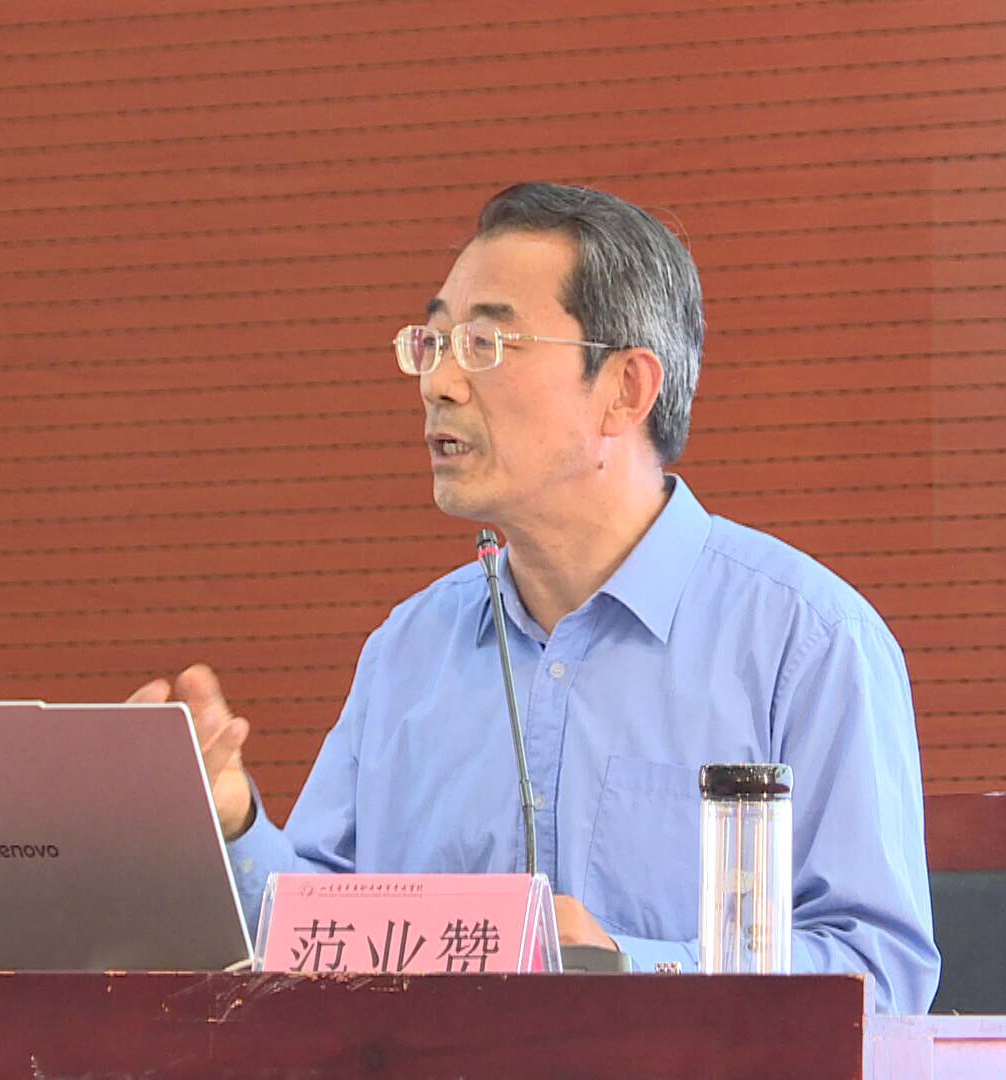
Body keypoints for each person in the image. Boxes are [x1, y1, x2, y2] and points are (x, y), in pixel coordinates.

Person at [130, 182, 939, 1013]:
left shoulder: (807, 641)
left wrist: (631, 966)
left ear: (625, 389)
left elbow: (879, 974)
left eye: (485, 344)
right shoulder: (408, 650)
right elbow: (312, 941)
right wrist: (230, 825)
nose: (439, 383)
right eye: (433, 342)